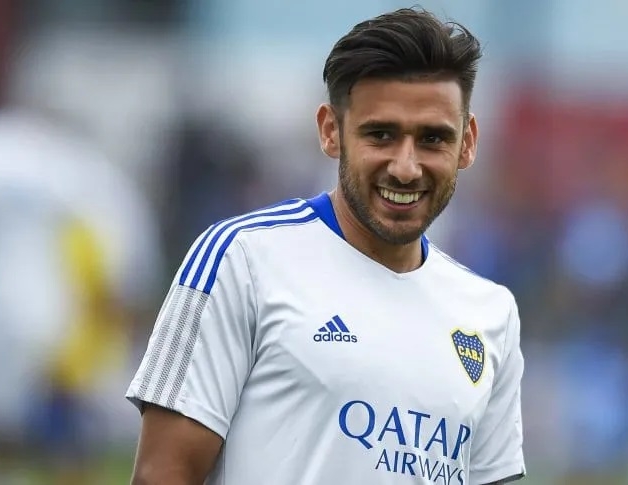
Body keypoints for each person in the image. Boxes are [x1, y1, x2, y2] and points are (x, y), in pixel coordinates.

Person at [126, 7, 526, 484]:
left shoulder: (491, 314)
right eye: (381, 134)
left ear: (468, 142)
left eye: (433, 138)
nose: (405, 167)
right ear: (331, 131)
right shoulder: (242, 259)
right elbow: (162, 474)